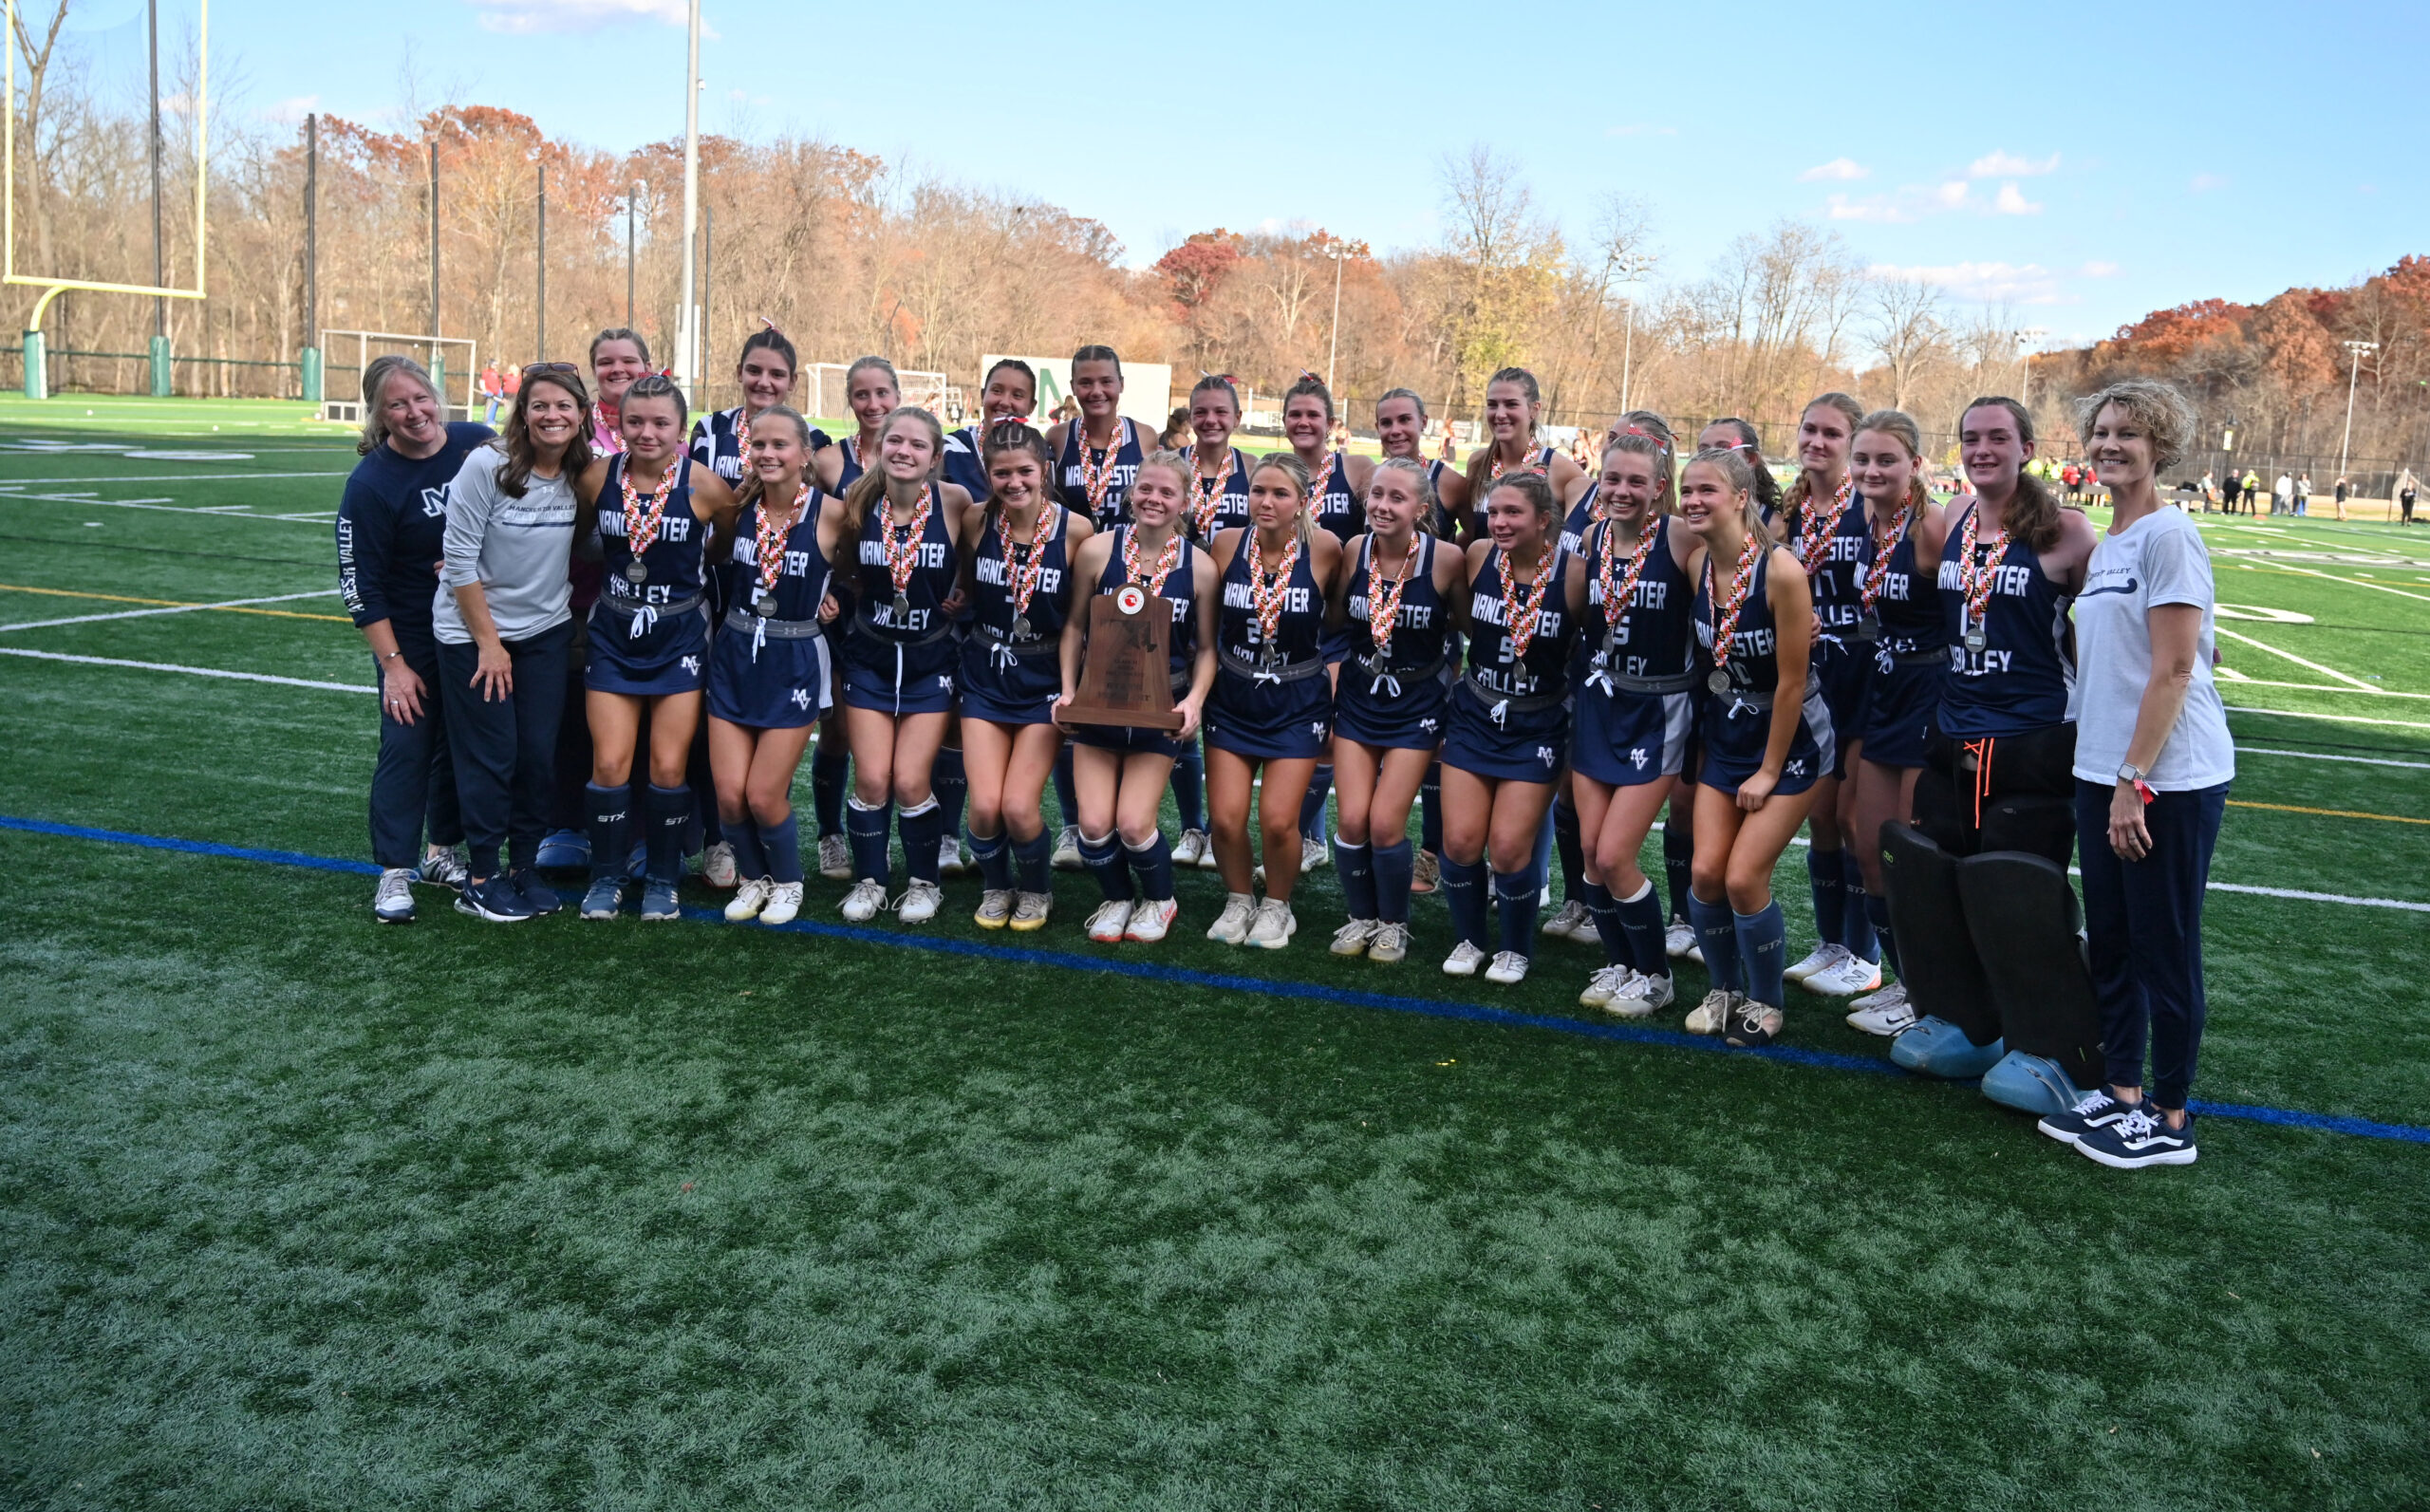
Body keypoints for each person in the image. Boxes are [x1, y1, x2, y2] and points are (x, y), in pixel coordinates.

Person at [2041, 378, 2232, 1168]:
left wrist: (2132, 781)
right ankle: (2121, 1090)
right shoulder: (2110, 541)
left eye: (2130, 433)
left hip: (2165, 779)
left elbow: (2177, 668)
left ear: (2161, 447)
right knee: (2113, 941)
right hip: (2102, 769)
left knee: (2165, 945)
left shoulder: (2168, 534)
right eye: (2102, 431)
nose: (2110, 444)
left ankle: (2172, 1116)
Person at [570, 374, 742, 922]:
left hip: (680, 634)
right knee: (609, 762)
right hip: (614, 632)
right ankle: (606, 878)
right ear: (619, 423)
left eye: (660, 423)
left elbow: (723, 548)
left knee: (668, 766)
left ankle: (664, 881)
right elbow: (574, 539)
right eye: (635, 421)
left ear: (680, 429)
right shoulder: (597, 476)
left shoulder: (708, 487)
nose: (647, 432)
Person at [1677, 446, 1823, 1048]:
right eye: (1687, 490)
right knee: (1705, 873)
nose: (1693, 501)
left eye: (1706, 490)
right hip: (1726, 736)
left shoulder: (1781, 570)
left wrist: (1768, 771)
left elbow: (1791, 684)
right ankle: (1724, 989)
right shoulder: (1696, 563)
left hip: (1789, 743)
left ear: (1741, 498)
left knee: (1742, 878)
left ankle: (1766, 1002)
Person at [337, 355, 491, 922]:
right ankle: (394, 871)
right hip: (411, 637)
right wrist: (395, 666)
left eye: (420, 398)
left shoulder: (477, 443)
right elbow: (359, 585)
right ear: (379, 416)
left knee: (460, 742)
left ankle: (441, 851)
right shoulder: (371, 483)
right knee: (407, 744)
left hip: (473, 627)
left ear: (437, 396)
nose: (414, 412)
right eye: (397, 405)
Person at [434, 363, 589, 923]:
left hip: (545, 632)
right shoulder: (487, 464)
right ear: (522, 413)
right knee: (491, 756)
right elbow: (457, 561)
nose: (552, 415)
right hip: (474, 637)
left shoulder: (583, 472)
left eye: (564, 405)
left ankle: (523, 867)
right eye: (539, 405)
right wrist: (489, 644)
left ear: (581, 414)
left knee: (537, 756)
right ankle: (480, 878)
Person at [1057, 451, 1219, 943]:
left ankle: (1160, 900)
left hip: (1159, 711)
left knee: (1131, 823)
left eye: (1167, 492)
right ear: (1132, 492)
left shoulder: (1201, 568)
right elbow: (1074, 628)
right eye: (1146, 488)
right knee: (1092, 825)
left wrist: (1193, 701)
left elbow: (1207, 649)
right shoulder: (1097, 550)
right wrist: (1069, 691)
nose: (1154, 499)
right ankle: (1117, 898)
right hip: (1099, 707)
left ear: (1184, 502)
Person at [1561, 426, 1694, 1015]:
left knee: (1616, 854)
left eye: (1636, 482)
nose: (1621, 490)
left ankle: (1657, 976)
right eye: (1611, 478)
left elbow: (1736, 583)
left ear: (1659, 487)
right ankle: (1622, 965)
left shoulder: (1682, 537)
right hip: (1599, 702)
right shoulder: (1591, 537)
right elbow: (1574, 614)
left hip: (1658, 710)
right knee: (1592, 852)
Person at [831, 406, 974, 924]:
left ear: (934, 457)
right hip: (869, 656)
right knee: (872, 779)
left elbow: (982, 560)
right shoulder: (856, 499)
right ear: (879, 447)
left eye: (917, 444)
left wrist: (965, 593)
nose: (904, 451)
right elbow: (843, 567)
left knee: (912, 781)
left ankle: (923, 884)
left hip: (929, 659)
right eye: (895, 441)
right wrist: (829, 596)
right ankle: (870, 880)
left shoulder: (956, 502)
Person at [1438, 470, 1576, 983]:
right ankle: (1469, 939)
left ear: (1543, 520)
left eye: (1513, 512)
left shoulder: (1574, 572)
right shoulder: (1477, 556)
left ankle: (1515, 949)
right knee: (1460, 841)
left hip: (1538, 722)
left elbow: (1588, 642)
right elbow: (1465, 623)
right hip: (1475, 712)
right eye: (1493, 512)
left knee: (1509, 848)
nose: (1498, 522)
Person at [1204, 452, 1345, 948]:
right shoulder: (1225, 544)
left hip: (1297, 700)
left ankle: (1278, 906)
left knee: (1280, 821)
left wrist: (1334, 687)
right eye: (1258, 490)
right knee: (1225, 819)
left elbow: (1341, 623)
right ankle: (1239, 898)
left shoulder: (1326, 548)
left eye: (1280, 493)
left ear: (1301, 501)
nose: (1266, 501)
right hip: (1233, 696)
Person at [1326, 457, 1465, 964]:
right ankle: (1361, 916)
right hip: (1359, 696)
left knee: (1385, 824)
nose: (1383, 506)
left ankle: (1393, 924)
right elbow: (1337, 621)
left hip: (1417, 704)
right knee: (1351, 820)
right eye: (1377, 495)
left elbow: (1467, 628)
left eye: (1397, 498)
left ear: (1421, 509)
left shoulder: (1446, 559)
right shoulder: (1354, 550)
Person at [708, 406, 838, 929]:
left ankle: (788, 881)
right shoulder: (737, 506)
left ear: (805, 454)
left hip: (794, 656)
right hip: (735, 652)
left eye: (780, 444)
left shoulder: (833, 514)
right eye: (758, 444)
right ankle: (754, 877)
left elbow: (863, 570)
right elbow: (715, 558)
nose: (767, 453)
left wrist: (835, 597)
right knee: (728, 796)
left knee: (763, 794)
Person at [1839, 410, 1948, 1035]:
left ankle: (1931, 993)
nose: (1871, 470)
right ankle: (1905, 981)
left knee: (1911, 857)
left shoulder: (1931, 526)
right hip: (1884, 687)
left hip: (1929, 695)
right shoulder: (1866, 519)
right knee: (1869, 849)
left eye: (1887, 459)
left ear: (1915, 465)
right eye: (1863, 459)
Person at [960, 420, 1091, 931]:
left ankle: (1037, 889)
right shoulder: (975, 520)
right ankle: (996, 885)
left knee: (1017, 806)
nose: (1014, 483)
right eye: (1002, 473)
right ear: (987, 474)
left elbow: (1079, 621)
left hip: (1043, 682)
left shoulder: (1076, 531)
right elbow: (963, 583)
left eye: (1024, 472)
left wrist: (1071, 689)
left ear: (1044, 471)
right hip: (985, 676)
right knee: (984, 807)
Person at [537, 328, 657, 873]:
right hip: (577, 597)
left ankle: (640, 833)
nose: (618, 369)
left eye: (629, 360)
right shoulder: (574, 427)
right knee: (573, 713)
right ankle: (568, 824)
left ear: (649, 366)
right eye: (606, 362)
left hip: (653, 605)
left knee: (648, 716)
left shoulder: (667, 427)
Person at [1778, 393, 1883, 999]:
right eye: (1809, 429)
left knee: (1852, 819)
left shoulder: (1870, 505)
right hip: (1809, 675)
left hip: (1864, 673)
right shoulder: (1787, 512)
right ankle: (1831, 944)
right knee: (1819, 817)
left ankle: (1866, 957)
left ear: (1852, 442)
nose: (1817, 442)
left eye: (1832, 433)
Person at [807, 356, 904, 882]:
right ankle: (831, 836)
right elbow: (805, 532)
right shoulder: (828, 462)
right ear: (849, 399)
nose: (873, 404)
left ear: (898, 395)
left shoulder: (916, 451)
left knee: (901, 738)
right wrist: (819, 589)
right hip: (844, 610)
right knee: (841, 731)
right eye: (862, 394)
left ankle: (889, 839)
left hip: (903, 610)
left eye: (882, 393)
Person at [1375, 386, 1471, 897]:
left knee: (1433, 744)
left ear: (1424, 423)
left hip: (1431, 632)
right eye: (1385, 422)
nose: (1395, 430)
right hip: (1375, 630)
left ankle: (1432, 853)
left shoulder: (1449, 482)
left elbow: (1478, 543)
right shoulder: (1368, 478)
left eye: (1404, 420)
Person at [1280, 374, 1375, 874]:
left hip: (1340, 624)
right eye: (1295, 414)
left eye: (1313, 415)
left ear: (1331, 423)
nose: (1303, 422)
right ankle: (1311, 838)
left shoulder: (1355, 469)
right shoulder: (1271, 470)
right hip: (1287, 623)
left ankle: (1300, 834)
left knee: (1328, 736)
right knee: (1301, 733)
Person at [1172, 373, 1257, 870]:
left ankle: (1304, 835)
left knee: (1223, 716)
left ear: (1237, 418)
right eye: (1201, 412)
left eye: (1221, 411)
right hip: (1179, 604)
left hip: (1242, 609)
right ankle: (1192, 826)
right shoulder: (1170, 465)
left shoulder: (1254, 470)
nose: (1210, 420)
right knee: (1180, 712)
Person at [943, 358, 1040, 504]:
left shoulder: (1043, 453)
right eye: (997, 391)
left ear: (1032, 406)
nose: (1005, 402)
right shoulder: (950, 450)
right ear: (983, 396)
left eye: (1017, 395)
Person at [478, 362, 503, 426]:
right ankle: (487, 422)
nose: (495, 366)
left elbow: (496, 383)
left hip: (496, 394)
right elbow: (482, 381)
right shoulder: (486, 373)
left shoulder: (495, 373)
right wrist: (483, 389)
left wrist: (499, 392)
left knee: (494, 408)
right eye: (494, 365)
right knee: (489, 408)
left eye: (496, 365)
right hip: (490, 394)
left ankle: (491, 421)